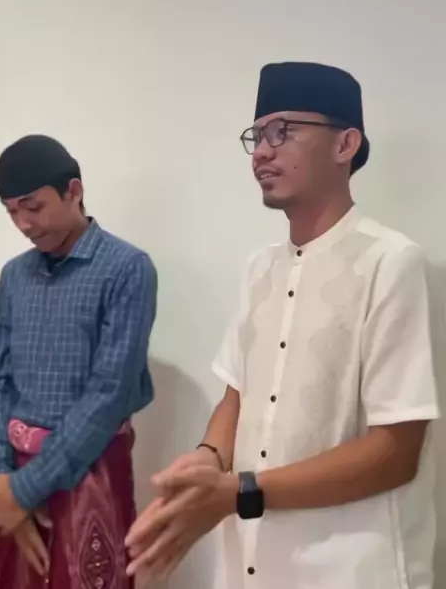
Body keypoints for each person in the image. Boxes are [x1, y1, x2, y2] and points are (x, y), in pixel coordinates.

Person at [125, 62, 439, 589]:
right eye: (257, 136)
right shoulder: (260, 268)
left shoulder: (390, 262)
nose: (261, 153)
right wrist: (207, 460)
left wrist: (239, 492)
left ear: (345, 144)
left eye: (282, 131)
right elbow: (237, 397)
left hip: (353, 570)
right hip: (255, 564)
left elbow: (396, 452)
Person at [0, 134, 157, 589]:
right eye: (11, 212)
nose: (23, 224)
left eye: (33, 207)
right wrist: (1, 476)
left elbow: (108, 395)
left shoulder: (127, 268)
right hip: (14, 472)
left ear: (73, 191)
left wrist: (23, 491)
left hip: (89, 470)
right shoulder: (14, 275)